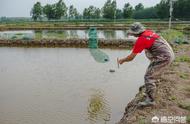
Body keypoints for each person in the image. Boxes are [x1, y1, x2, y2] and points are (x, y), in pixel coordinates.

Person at [118, 22, 175, 106]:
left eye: (133, 33)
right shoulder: (149, 32)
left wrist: (122, 60)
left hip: (163, 57)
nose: (132, 35)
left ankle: (150, 100)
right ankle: (151, 90)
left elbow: (131, 58)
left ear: (136, 32)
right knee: (152, 69)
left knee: (148, 77)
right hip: (169, 54)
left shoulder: (141, 40)